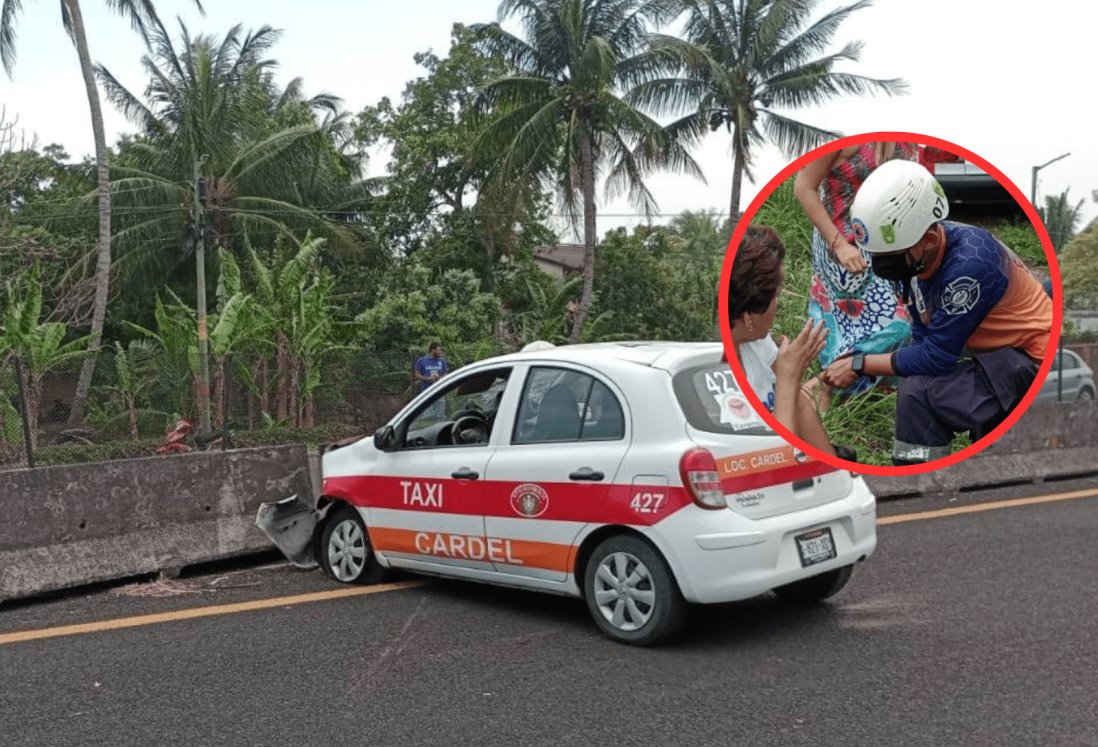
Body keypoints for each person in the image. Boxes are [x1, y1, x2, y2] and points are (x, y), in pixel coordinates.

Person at [823, 159, 1053, 465]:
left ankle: (919, 475)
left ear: (928, 240)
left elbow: (936, 357)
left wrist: (859, 363)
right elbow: (922, 332)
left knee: (921, 394)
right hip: (995, 353)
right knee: (916, 384)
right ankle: (921, 469)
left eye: (889, 256)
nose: (880, 265)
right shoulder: (919, 258)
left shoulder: (968, 265)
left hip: (1029, 360)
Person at [794, 142, 917, 402]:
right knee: (891, 324)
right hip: (842, 246)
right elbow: (803, 186)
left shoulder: (906, 138)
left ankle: (862, 389)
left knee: (902, 320)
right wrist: (838, 244)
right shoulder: (845, 135)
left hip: (884, 246)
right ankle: (823, 384)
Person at [728, 225, 836, 457]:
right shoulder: (723, 375)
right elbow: (777, 459)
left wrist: (834, 466)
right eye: (776, 296)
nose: (778, 305)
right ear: (749, 315)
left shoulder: (757, 342)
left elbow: (797, 403)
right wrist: (788, 376)